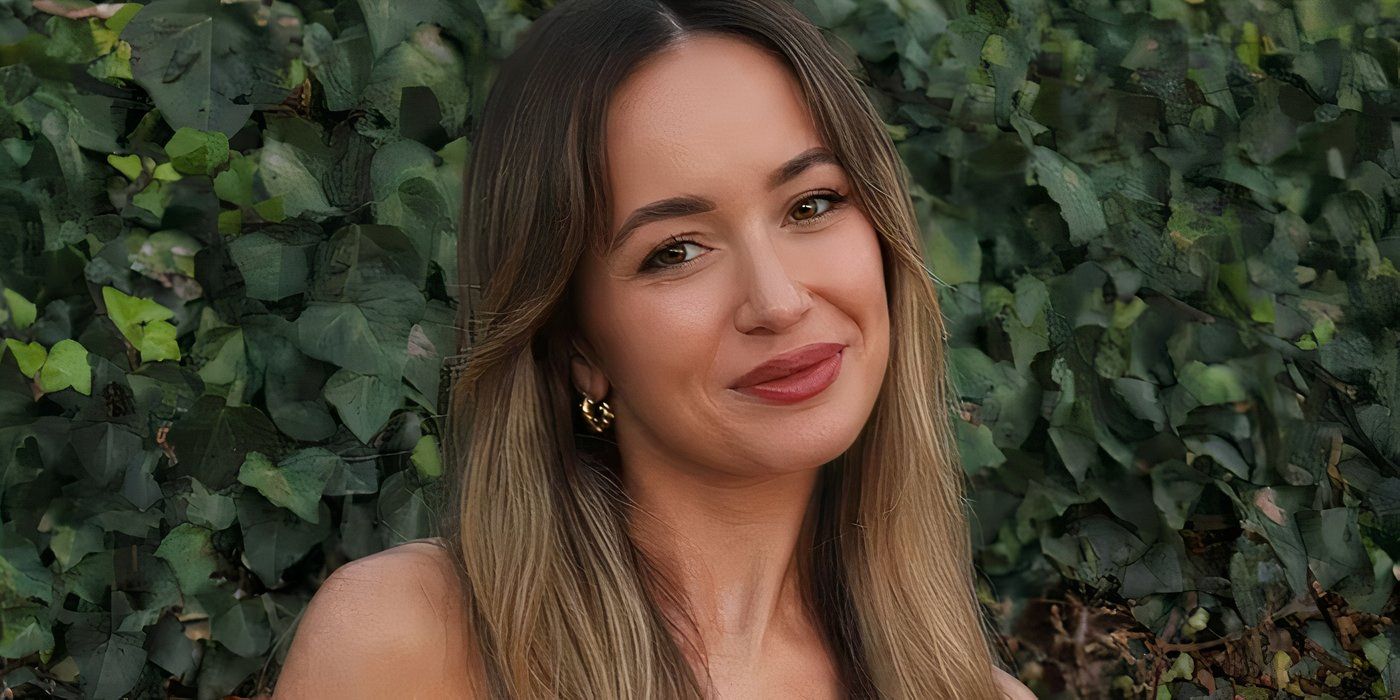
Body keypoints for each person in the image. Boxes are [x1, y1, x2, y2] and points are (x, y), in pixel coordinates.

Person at [273, 0, 1036, 697]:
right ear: (576, 343)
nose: (777, 301)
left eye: (812, 204)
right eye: (675, 251)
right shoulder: (400, 645)